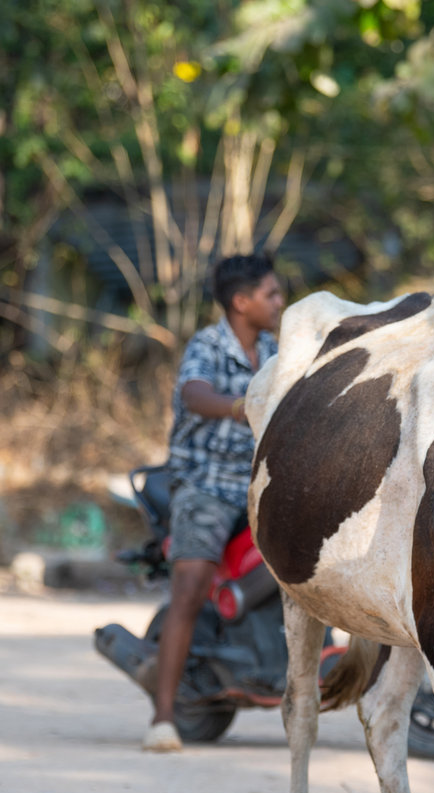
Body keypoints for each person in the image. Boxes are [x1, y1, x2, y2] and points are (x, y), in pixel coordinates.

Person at [143, 253, 284, 752]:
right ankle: (163, 718)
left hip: (257, 487)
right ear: (241, 302)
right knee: (190, 586)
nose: (279, 301)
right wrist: (237, 405)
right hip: (205, 485)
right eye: (270, 294)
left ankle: (249, 609)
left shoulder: (273, 349)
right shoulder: (207, 344)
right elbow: (194, 394)